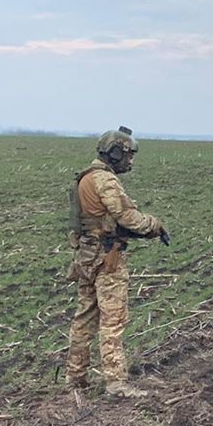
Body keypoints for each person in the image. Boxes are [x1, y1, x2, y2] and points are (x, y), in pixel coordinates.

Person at [65, 126, 166, 398]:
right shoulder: (105, 180)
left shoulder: (83, 178)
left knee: (84, 317)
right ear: (114, 153)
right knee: (113, 320)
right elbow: (127, 217)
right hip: (107, 257)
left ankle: (76, 378)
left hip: (85, 256)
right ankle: (116, 383)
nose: (130, 161)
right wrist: (154, 224)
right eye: (128, 155)